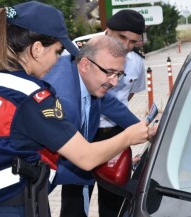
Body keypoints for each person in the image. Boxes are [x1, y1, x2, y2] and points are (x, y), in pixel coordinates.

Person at [0, 2, 148, 216]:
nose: (58, 60)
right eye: (57, 52)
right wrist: (129, 137)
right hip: (9, 207)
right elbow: (86, 157)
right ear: (37, 49)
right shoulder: (30, 96)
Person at [43, 35, 144, 217]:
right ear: (85, 65)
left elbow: (109, 104)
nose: (114, 82)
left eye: (119, 74)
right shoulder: (65, 103)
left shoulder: (88, 77)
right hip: (29, 183)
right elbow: (74, 160)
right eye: (110, 72)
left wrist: (145, 129)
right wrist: (105, 159)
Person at [95, 9, 147, 217]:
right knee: (75, 199)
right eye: (121, 37)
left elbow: (131, 94)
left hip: (117, 134)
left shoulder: (136, 62)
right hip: (82, 134)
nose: (126, 46)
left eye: (133, 41)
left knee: (113, 201)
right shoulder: (82, 51)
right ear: (108, 31)